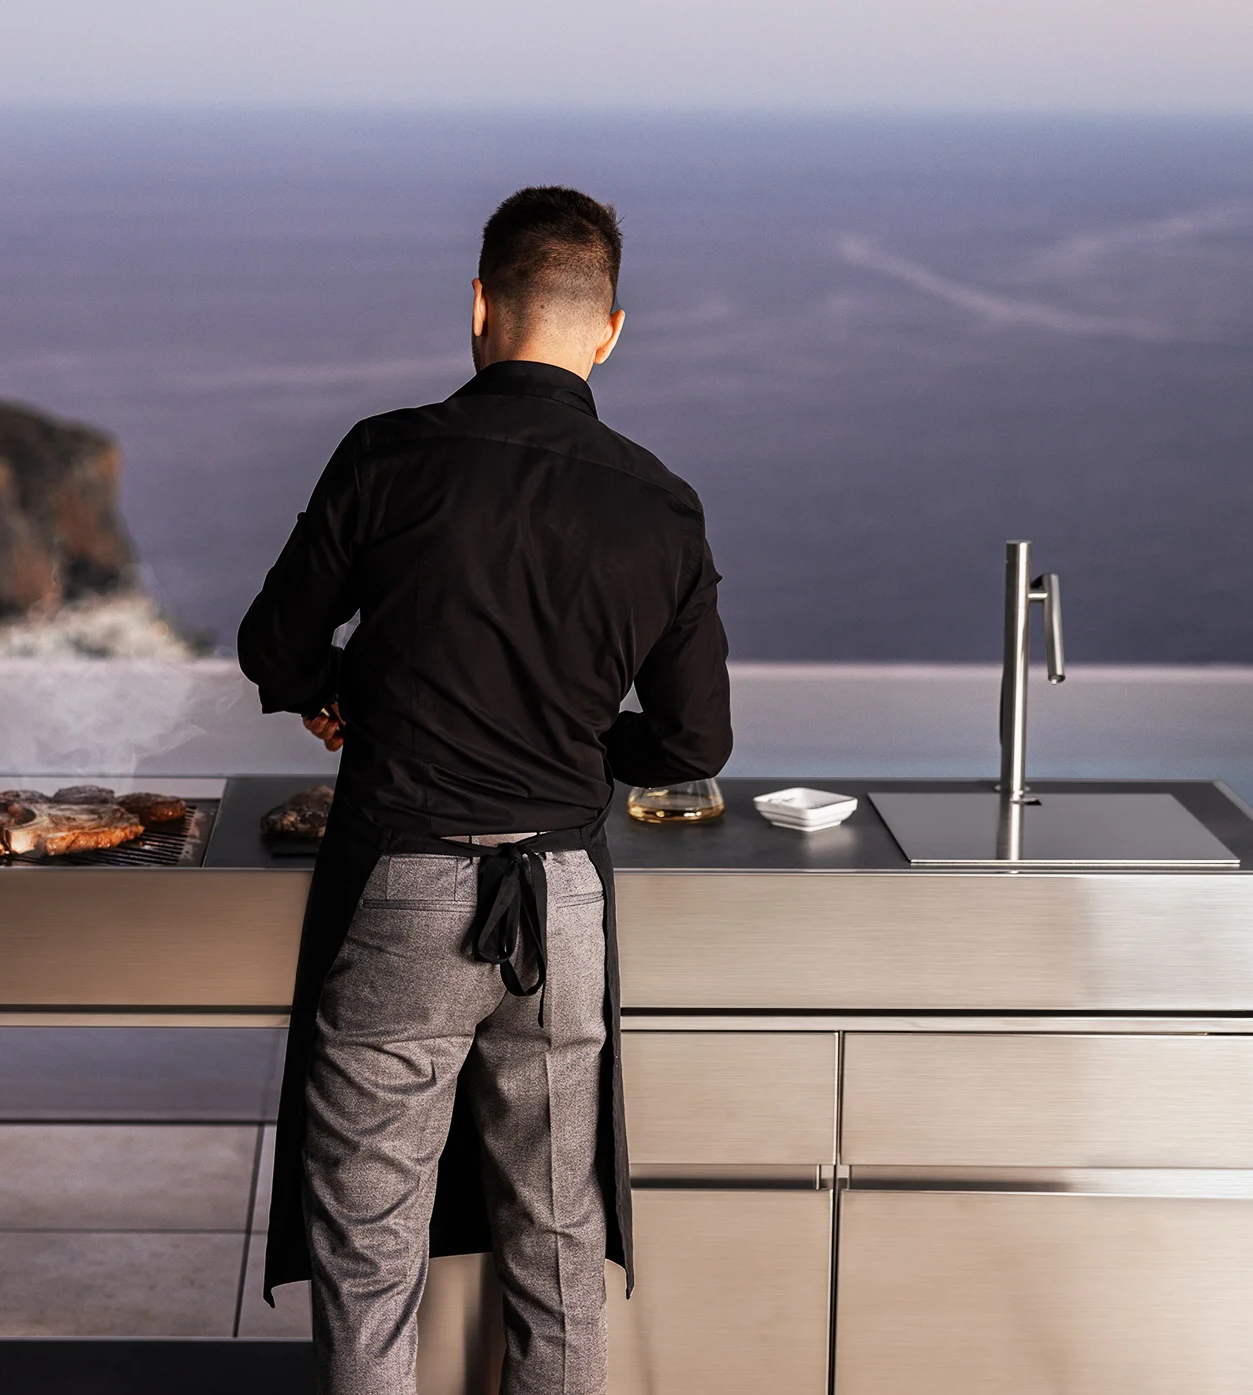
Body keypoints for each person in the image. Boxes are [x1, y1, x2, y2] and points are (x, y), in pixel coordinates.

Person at [239, 185, 732, 1395]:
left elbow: (273, 646)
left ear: (476, 308)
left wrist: (342, 688)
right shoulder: (659, 504)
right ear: (608, 329)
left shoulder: (387, 455)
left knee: (369, 1236)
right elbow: (690, 740)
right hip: (557, 906)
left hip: (400, 888)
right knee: (555, 1236)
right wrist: (581, 741)